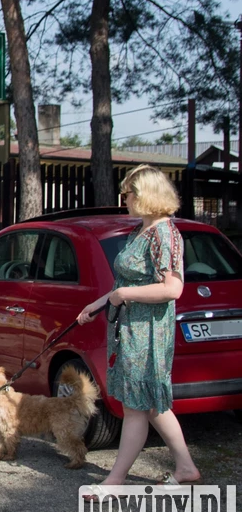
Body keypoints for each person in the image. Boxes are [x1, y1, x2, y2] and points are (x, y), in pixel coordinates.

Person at [77, 165, 200, 491]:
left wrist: (122, 295)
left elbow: (173, 289)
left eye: (128, 192)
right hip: (132, 329)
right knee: (147, 405)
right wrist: (100, 302)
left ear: (144, 194)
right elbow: (125, 281)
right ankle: (186, 467)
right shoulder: (142, 230)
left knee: (139, 406)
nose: (124, 198)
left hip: (148, 332)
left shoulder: (164, 234)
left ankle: (115, 480)